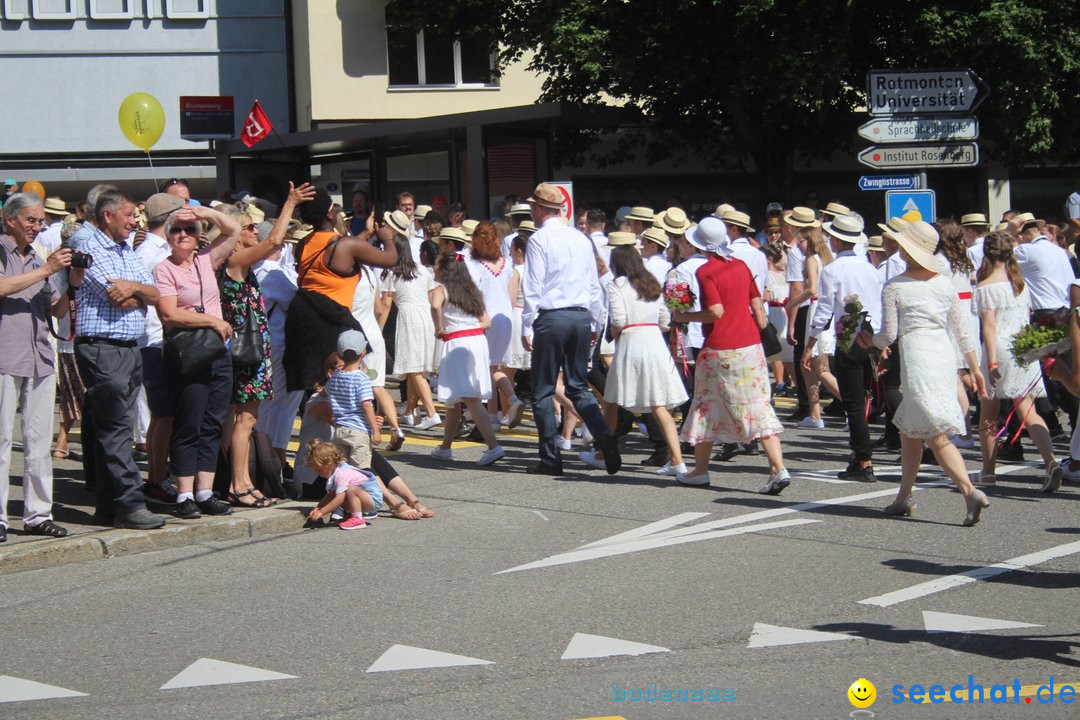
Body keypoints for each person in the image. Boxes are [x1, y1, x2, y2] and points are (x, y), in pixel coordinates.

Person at [864, 221, 990, 525]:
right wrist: (974, 367)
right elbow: (961, 331)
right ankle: (904, 495)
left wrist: (868, 340)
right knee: (911, 429)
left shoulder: (895, 285)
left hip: (917, 357)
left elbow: (888, 335)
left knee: (932, 432)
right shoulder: (944, 283)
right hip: (943, 355)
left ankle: (969, 490)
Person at [71, 190, 167, 529]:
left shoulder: (126, 250)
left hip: (128, 347)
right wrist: (137, 292)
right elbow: (116, 296)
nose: (134, 221)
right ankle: (130, 504)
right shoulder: (89, 247)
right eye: (128, 215)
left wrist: (137, 291)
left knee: (112, 427)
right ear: (108, 215)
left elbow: (155, 295)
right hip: (102, 347)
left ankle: (108, 506)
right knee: (116, 429)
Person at [672, 217, 789, 494]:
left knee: (705, 404)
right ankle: (777, 467)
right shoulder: (741, 265)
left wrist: (683, 315)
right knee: (758, 404)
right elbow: (756, 304)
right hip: (750, 345)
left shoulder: (706, 271)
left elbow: (715, 312)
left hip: (720, 347)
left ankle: (700, 470)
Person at [522, 183, 621, 475]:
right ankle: (605, 437)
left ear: (540, 209)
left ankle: (550, 459)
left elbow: (533, 286)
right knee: (578, 385)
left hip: (552, 317)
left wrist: (527, 324)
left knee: (542, 391)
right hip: (579, 316)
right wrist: (594, 321)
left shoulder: (540, 239)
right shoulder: (581, 238)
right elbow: (594, 285)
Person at [155, 205, 245, 516]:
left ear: (199, 236)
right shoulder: (164, 269)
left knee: (212, 422)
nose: (183, 235)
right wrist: (211, 321)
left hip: (217, 352)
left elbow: (234, 229)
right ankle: (184, 495)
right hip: (190, 352)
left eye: (189, 230)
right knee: (188, 422)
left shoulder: (207, 260)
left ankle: (205, 491)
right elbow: (168, 313)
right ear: (168, 237)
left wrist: (203, 211)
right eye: (177, 230)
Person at [0, 194, 73, 541]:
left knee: (39, 442)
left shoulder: (38, 258)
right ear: (10, 219)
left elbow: (56, 312)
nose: (38, 227)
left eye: (41, 221)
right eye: (31, 220)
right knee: (1, 441)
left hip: (40, 357)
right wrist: (47, 269)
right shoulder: (3, 251)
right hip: (5, 356)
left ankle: (38, 514)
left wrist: (71, 281)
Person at [582, 244, 688, 475]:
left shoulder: (617, 285)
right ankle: (678, 461)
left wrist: (618, 334)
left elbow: (618, 320)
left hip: (631, 341)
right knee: (660, 405)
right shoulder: (652, 284)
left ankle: (603, 453)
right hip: (654, 342)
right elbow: (664, 321)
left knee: (611, 401)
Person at [285, 188, 397, 394]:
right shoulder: (347, 245)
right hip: (332, 320)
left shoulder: (303, 244)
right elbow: (390, 259)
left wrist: (367, 233)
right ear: (329, 214)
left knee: (315, 388)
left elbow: (345, 248)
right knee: (340, 386)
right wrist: (387, 237)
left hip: (304, 319)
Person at [973, 232, 1060, 491]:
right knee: (1028, 409)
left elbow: (989, 327)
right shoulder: (1019, 284)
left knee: (988, 416)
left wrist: (989, 363)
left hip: (999, 350)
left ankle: (988, 472)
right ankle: (1050, 461)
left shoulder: (986, 285)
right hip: (1023, 349)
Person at [803, 213, 882, 482]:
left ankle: (864, 460)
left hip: (848, 337)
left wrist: (811, 343)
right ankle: (857, 456)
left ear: (836, 239)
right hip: (872, 337)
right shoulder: (871, 268)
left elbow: (824, 309)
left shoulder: (833, 270)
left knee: (854, 403)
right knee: (863, 399)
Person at [134, 192, 185, 504]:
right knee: (164, 413)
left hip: (154, 338)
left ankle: (156, 477)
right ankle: (156, 479)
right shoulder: (153, 252)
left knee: (160, 414)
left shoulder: (152, 248)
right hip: (154, 338)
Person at [429, 252, 505, 465]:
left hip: (457, 343)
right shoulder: (473, 291)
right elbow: (486, 322)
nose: (434, 268)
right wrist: (467, 328)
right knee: (455, 398)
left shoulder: (441, 289)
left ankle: (493, 446)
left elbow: (435, 305)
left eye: (437, 264)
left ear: (444, 269)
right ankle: (445, 448)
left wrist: (439, 327)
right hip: (476, 341)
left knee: (468, 396)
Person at [467, 220, 526, 427]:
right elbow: (511, 297)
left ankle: (509, 400)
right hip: (506, 317)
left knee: (487, 367)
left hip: (485, 317)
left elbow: (473, 292)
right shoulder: (506, 263)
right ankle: (493, 414)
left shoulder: (473, 263)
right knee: (494, 365)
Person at [381, 228, 440, 429]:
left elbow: (387, 304)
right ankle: (409, 411)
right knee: (416, 367)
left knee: (415, 369)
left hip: (408, 318)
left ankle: (431, 412)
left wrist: (379, 329)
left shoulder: (391, 273)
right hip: (426, 317)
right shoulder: (423, 270)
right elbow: (433, 298)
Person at [324, 330, 382, 471]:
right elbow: (366, 405)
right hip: (359, 430)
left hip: (339, 429)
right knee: (361, 472)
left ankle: (342, 493)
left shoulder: (336, 376)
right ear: (364, 352)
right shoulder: (362, 379)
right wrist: (376, 430)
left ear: (339, 354)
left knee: (342, 471)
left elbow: (325, 392)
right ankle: (360, 493)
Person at [304, 440, 382, 530]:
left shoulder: (341, 474)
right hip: (364, 497)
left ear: (329, 463)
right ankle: (352, 515)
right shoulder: (336, 472)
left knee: (349, 490)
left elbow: (339, 499)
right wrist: (318, 508)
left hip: (373, 500)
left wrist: (321, 512)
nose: (318, 474)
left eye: (319, 470)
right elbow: (330, 495)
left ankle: (358, 518)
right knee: (337, 492)